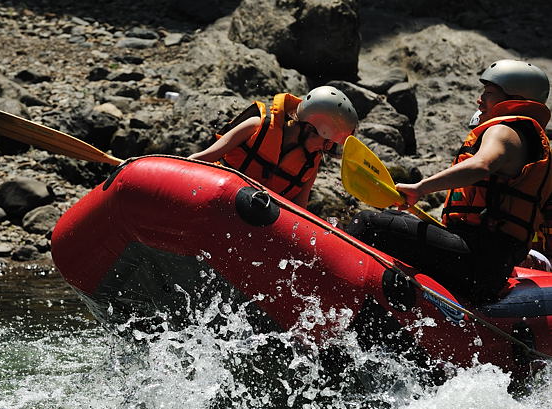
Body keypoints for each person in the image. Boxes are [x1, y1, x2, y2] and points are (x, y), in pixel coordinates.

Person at [347, 59, 552, 302]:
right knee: (399, 220)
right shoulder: (533, 145)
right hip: (490, 264)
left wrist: (420, 188)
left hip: (476, 257)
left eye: (488, 93)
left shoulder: (506, 131)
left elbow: (481, 164)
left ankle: (341, 300)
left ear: (515, 99)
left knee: (368, 223)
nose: (480, 100)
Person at [189, 86, 358, 208]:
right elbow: (203, 159)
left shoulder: (310, 164)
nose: (325, 149)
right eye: (327, 142)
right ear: (309, 129)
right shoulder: (256, 127)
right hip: (215, 198)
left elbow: (300, 212)